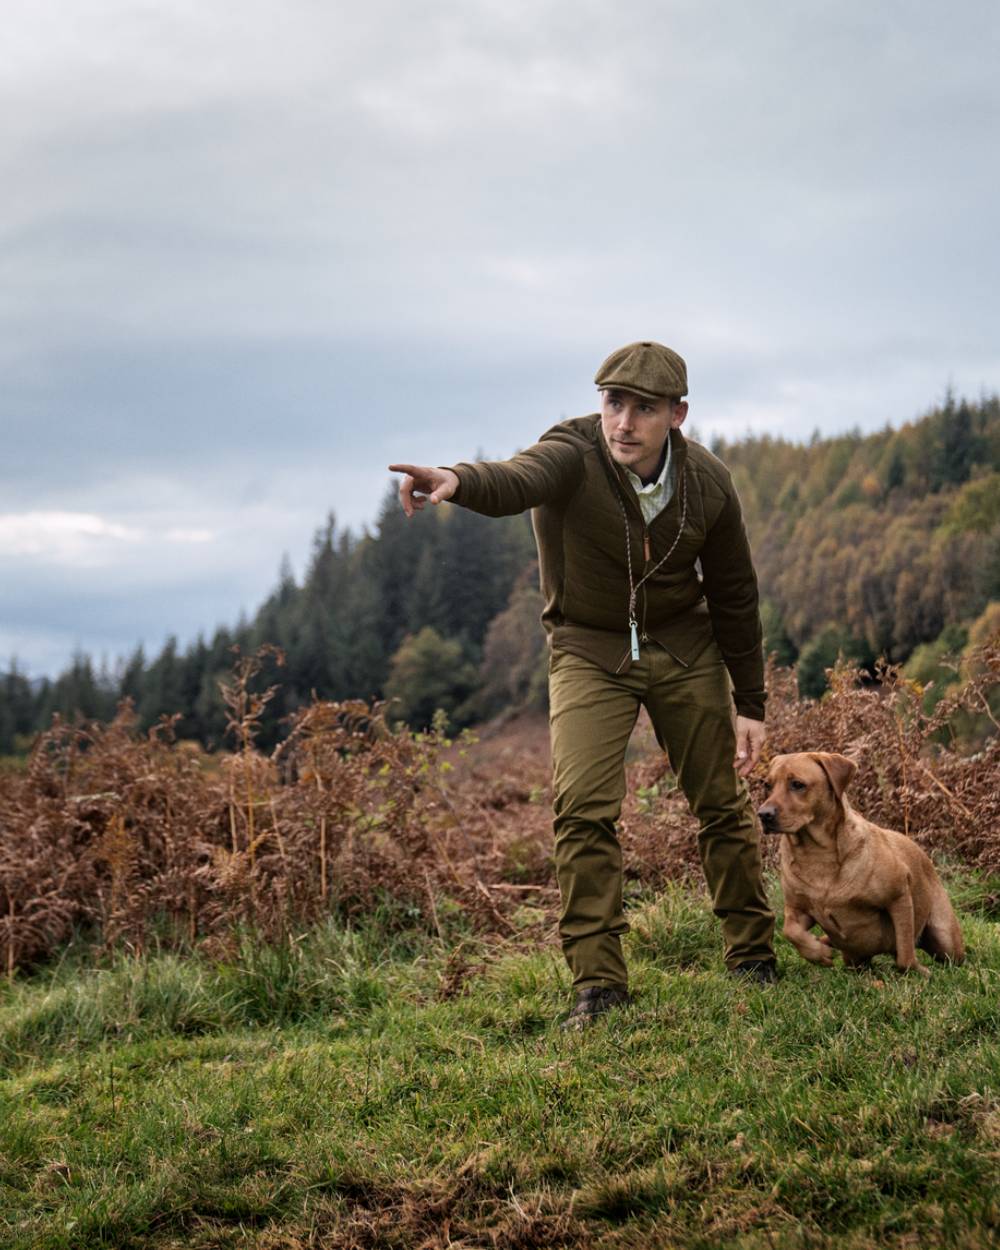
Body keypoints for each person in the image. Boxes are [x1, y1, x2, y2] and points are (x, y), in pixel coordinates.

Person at [389, 341, 775, 1028]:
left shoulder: (709, 484)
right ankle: (600, 986)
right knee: (583, 809)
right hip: (589, 650)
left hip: (684, 648)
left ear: (677, 415)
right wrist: (456, 479)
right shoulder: (572, 452)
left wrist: (750, 703)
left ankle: (753, 958)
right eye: (613, 403)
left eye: (644, 409)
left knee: (721, 804)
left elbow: (736, 594)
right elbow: (517, 479)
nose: (623, 422)